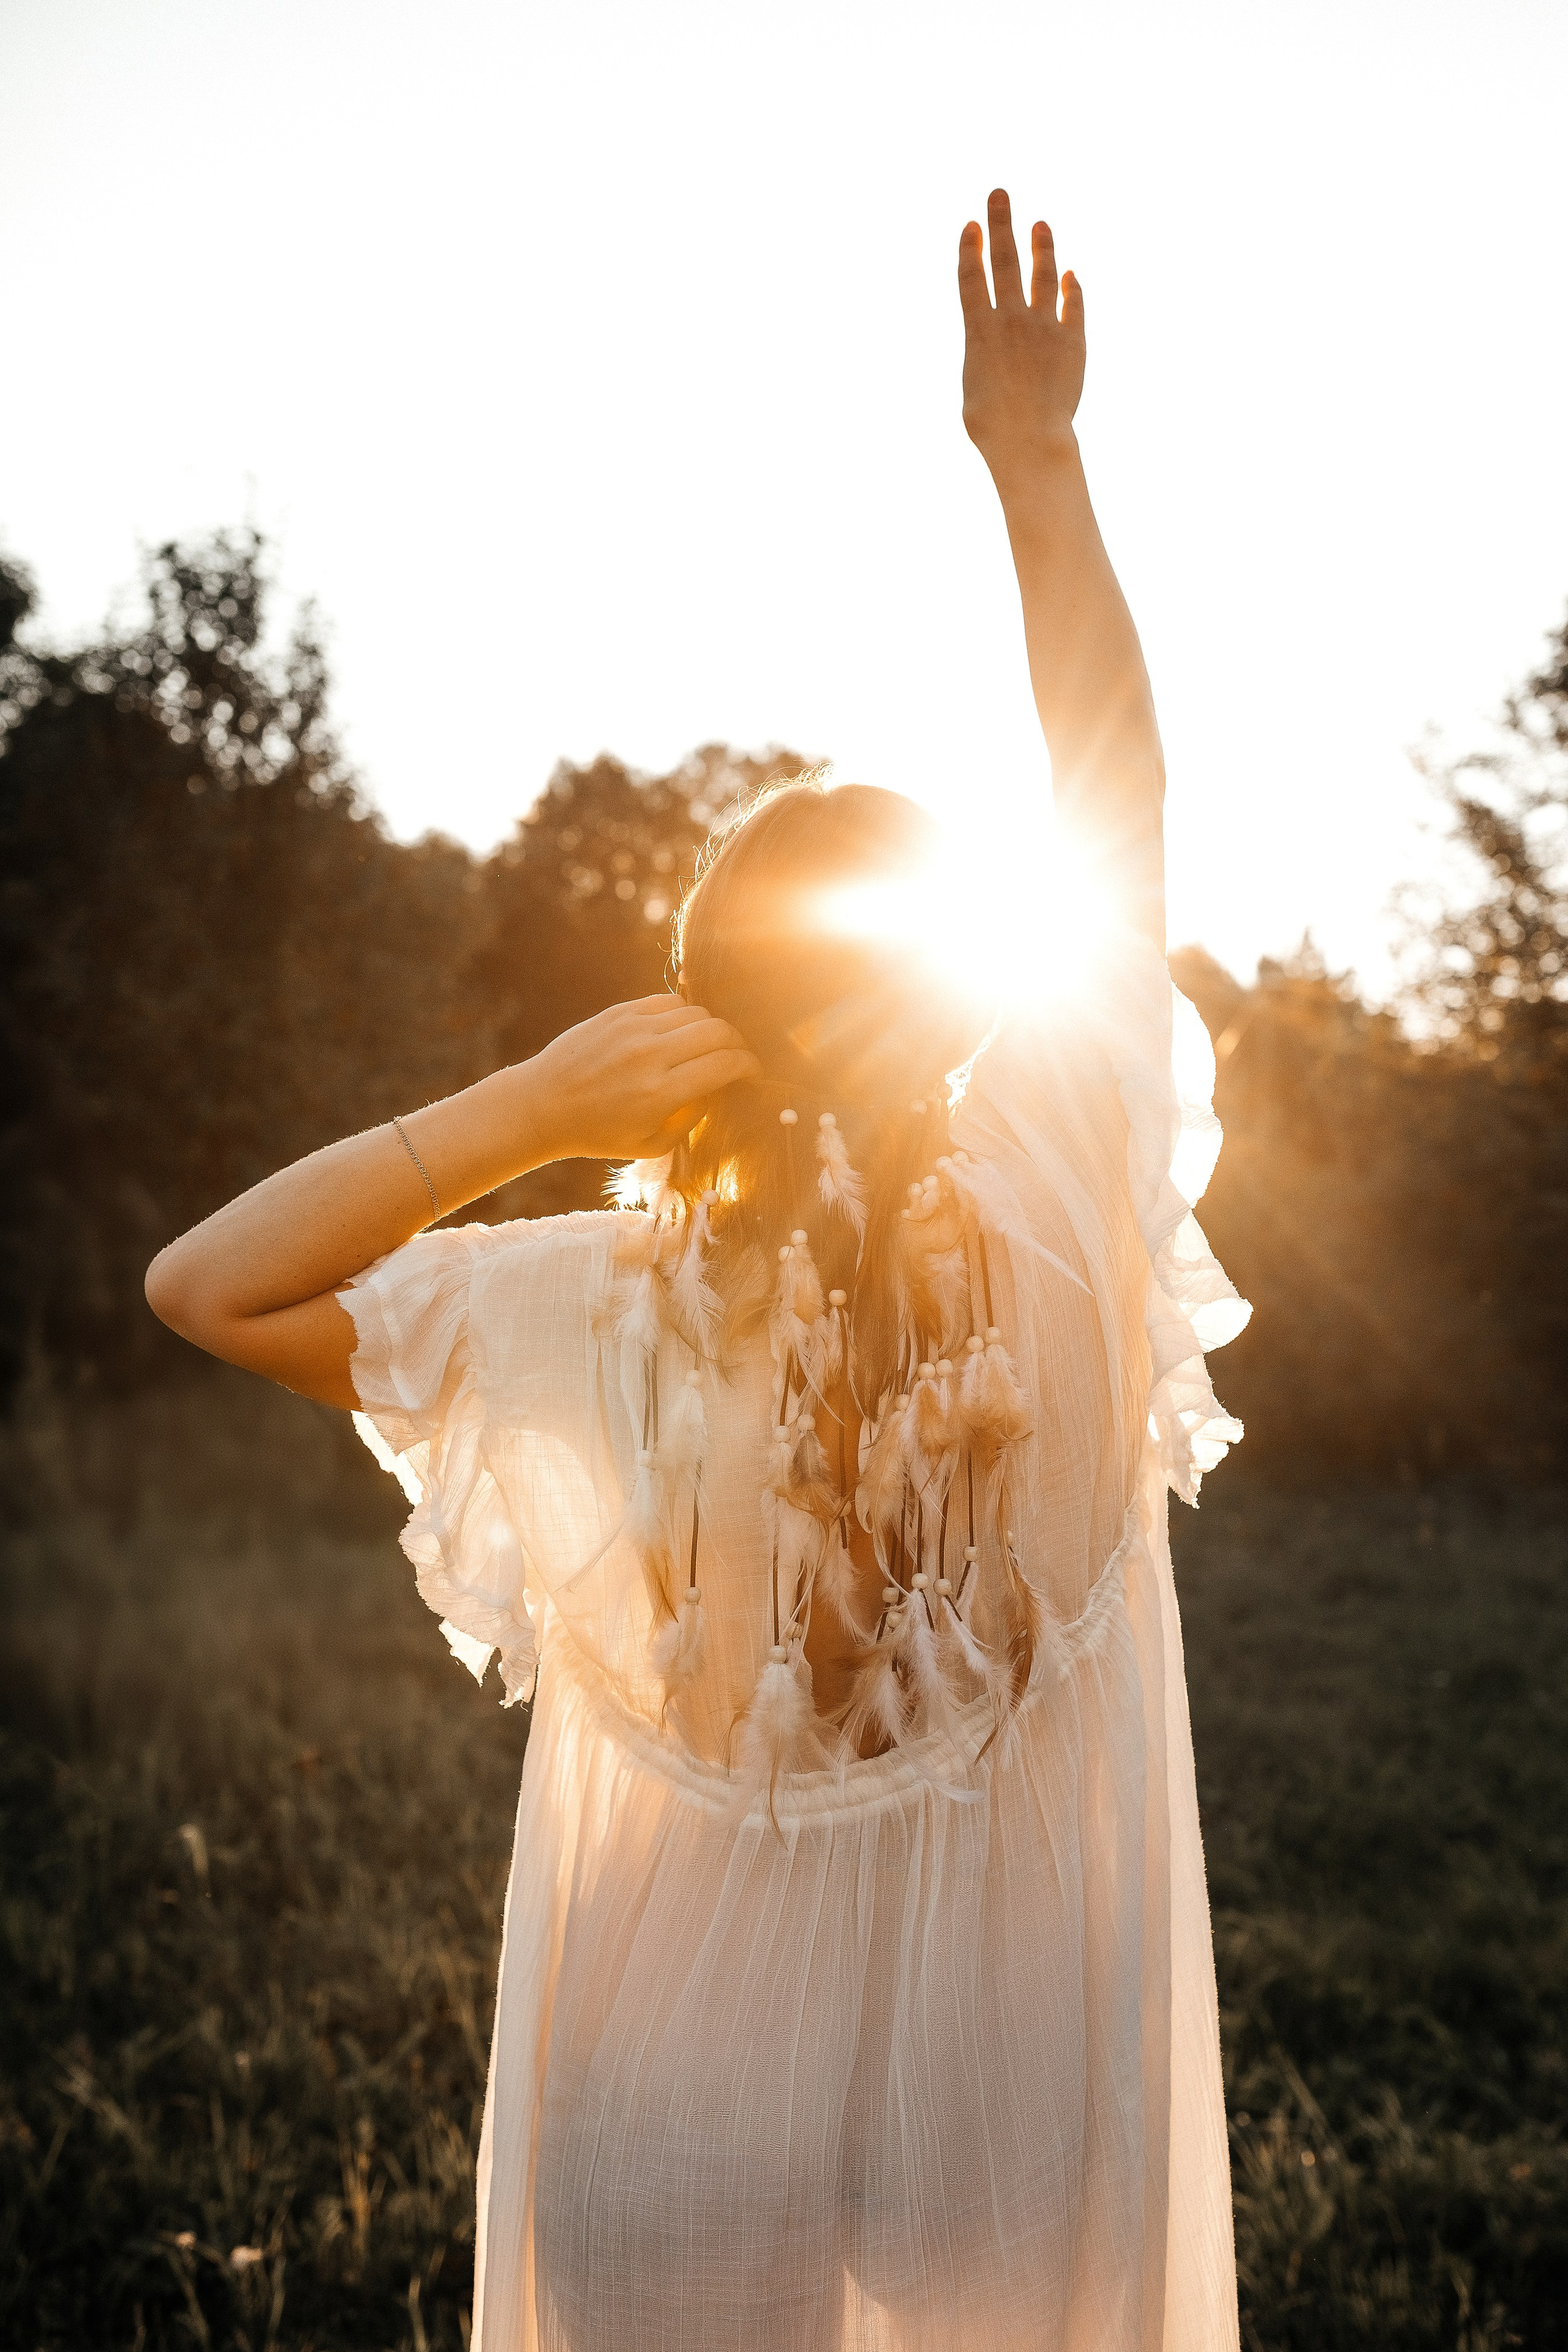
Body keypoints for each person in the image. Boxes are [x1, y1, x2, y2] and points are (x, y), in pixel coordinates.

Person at [146, 190, 1248, 2352]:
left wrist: (524, 1111)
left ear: (692, 1013)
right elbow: (1114, 797)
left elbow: (207, 1286)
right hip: (1007, 2059)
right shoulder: (1062, 1173)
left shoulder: (600, 1296)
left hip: (677, 2068)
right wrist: (1037, 469)